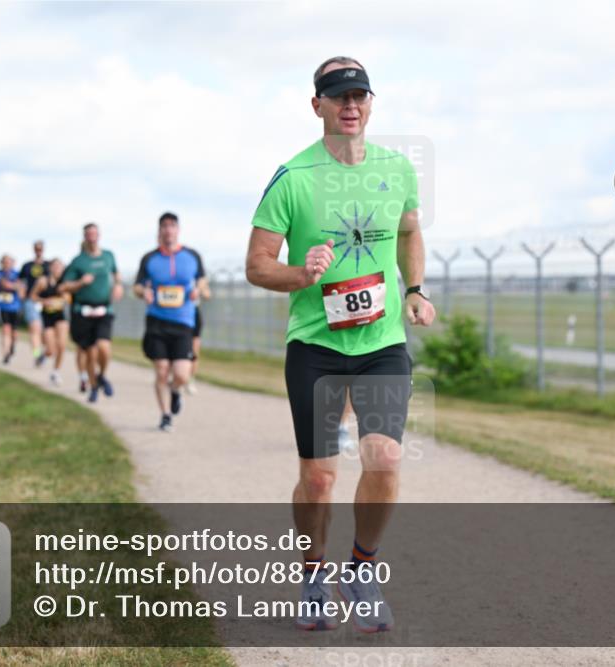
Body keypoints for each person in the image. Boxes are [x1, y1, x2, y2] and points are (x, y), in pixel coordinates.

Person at [245, 56, 435, 633]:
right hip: (316, 345)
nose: (350, 105)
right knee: (320, 476)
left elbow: (409, 232)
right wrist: (302, 273)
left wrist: (416, 289)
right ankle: (311, 576)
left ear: (371, 103)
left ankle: (361, 568)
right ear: (317, 106)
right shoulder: (292, 178)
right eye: (338, 96)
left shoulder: (397, 169)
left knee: (385, 457)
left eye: (359, 95)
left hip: (381, 342)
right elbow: (257, 265)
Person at [133, 212, 206, 431]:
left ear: (178, 229)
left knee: (182, 374)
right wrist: (143, 293)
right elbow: (137, 286)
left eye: (172, 225)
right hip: (157, 321)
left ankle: (175, 390)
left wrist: (197, 290)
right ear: (159, 231)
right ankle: (165, 415)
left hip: (183, 322)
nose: (168, 230)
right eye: (164, 226)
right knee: (162, 369)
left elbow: (202, 279)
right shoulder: (150, 258)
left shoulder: (192, 255)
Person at [59, 223, 123, 403]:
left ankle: (102, 375)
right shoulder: (78, 261)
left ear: (99, 235)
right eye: (88, 234)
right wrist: (80, 282)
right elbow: (64, 286)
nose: (92, 237)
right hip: (83, 311)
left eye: (94, 234)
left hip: (104, 309)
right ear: (84, 237)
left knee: (104, 348)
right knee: (90, 352)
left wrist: (118, 286)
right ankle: (93, 386)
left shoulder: (108, 256)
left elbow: (116, 274)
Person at [33, 258, 70, 386]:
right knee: (51, 349)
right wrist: (44, 301)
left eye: (60, 266)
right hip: (47, 315)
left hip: (61, 316)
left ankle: (56, 372)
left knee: (62, 345)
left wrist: (65, 298)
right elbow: (32, 296)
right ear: (50, 268)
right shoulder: (43, 281)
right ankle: (43, 355)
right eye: (55, 266)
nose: (57, 269)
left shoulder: (66, 282)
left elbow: (70, 297)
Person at [20, 240, 48, 365]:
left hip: (46, 301)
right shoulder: (27, 265)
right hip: (31, 301)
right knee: (35, 329)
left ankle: (43, 351)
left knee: (44, 332)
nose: (38, 251)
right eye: (36, 248)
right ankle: (37, 355)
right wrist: (21, 291)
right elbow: (20, 281)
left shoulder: (48, 265)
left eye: (40, 249)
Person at [0, 255, 22, 365]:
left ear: (12, 263)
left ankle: (12, 347)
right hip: (2, 306)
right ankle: (5, 354)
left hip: (15, 307)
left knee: (14, 333)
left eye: (8, 262)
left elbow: (21, 287)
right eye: (4, 262)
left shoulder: (17, 274)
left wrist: (10, 286)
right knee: (5, 329)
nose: (6, 264)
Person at [185, 268, 211, 396]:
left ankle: (190, 380)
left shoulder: (198, 279)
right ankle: (175, 375)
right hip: (177, 314)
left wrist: (199, 290)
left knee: (194, 350)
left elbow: (207, 295)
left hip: (194, 313)